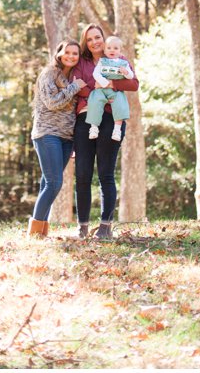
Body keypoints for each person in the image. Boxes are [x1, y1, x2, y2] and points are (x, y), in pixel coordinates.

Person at [72, 23, 139, 240]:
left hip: (111, 118)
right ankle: (82, 226)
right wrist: (95, 90)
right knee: (82, 174)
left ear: (103, 38)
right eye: (89, 39)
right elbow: (77, 87)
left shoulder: (118, 58)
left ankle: (105, 226)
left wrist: (110, 84)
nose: (94, 42)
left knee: (105, 174)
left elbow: (133, 84)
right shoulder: (81, 62)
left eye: (97, 37)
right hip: (85, 120)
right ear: (86, 42)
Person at [29, 40, 86, 238]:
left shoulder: (73, 76)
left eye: (75, 53)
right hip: (47, 134)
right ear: (59, 53)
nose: (71, 56)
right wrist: (74, 88)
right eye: (67, 52)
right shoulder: (49, 74)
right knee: (54, 183)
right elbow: (52, 103)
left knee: (48, 183)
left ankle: (40, 232)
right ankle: (34, 230)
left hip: (66, 138)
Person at [85, 35, 134, 141]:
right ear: (105, 50)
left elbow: (131, 77)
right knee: (95, 101)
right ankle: (94, 127)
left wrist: (126, 72)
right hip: (101, 88)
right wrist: (104, 83)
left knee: (120, 103)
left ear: (120, 51)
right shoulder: (102, 62)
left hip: (115, 91)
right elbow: (96, 73)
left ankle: (117, 130)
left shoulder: (123, 63)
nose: (112, 50)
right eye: (109, 48)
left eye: (116, 48)